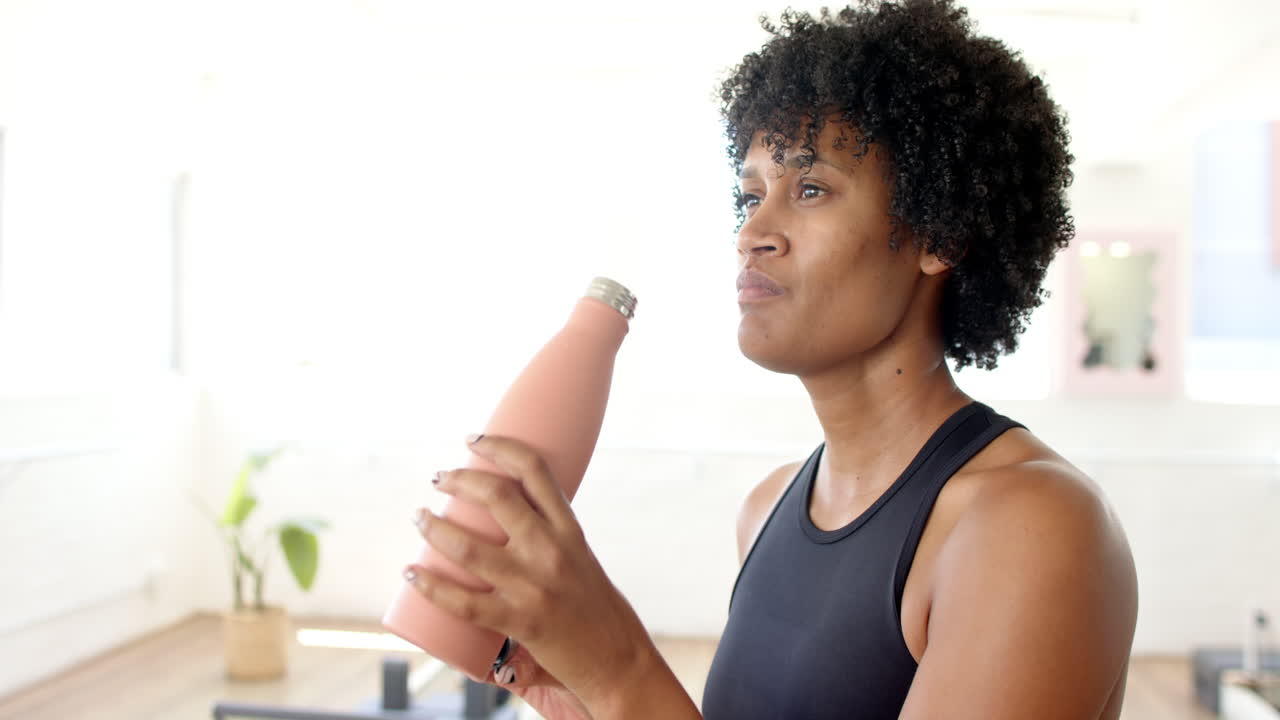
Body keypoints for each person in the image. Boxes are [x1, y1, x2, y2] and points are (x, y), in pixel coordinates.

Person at [402, 0, 1139, 717]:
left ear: (938, 236)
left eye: (810, 189)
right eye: (751, 194)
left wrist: (617, 665)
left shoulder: (1031, 528)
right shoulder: (768, 509)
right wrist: (580, 693)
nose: (753, 230)